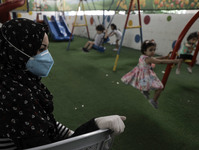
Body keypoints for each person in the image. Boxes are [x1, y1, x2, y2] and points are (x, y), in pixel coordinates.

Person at [0, 18, 126, 149]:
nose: (47, 56)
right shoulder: (15, 96)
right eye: (41, 49)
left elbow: (44, 124)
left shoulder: (18, 80)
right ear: (17, 51)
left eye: (47, 49)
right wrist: (93, 127)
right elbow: (45, 147)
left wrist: (72, 134)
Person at [121, 40, 180, 109]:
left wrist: (164, 57)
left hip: (142, 76)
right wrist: (174, 61)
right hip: (147, 76)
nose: (153, 51)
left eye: (154, 50)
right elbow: (160, 62)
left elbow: (155, 59)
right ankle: (153, 101)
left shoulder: (142, 56)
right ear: (145, 51)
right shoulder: (148, 59)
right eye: (151, 50)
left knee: (145, 86)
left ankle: (144, 91)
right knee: (160, 87)